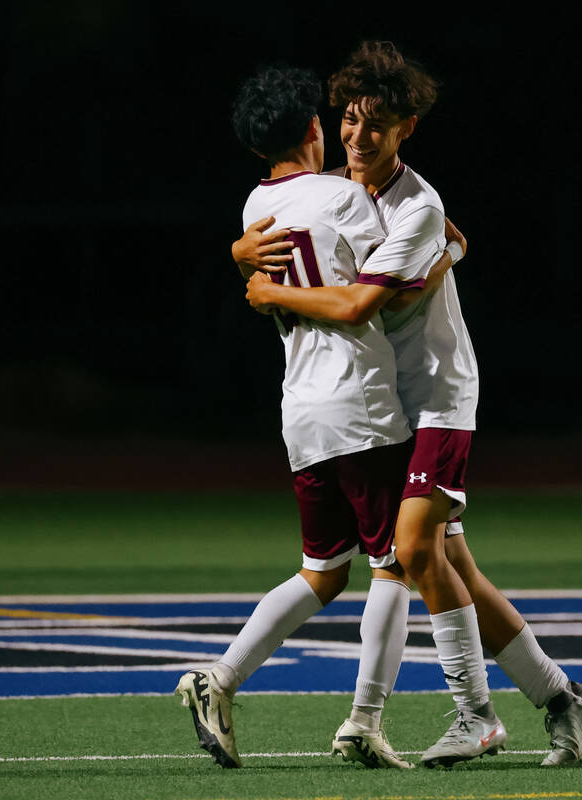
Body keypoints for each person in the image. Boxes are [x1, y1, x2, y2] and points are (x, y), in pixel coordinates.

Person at [237, 40, 582, 768]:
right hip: (383, 407)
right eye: (348, 119)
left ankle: (476, 717)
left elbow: (358, 302)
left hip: (438, 397)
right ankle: (565, 700)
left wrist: (270, 289)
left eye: (377, 124)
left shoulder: (416, 205)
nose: (356, 135)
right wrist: (241, 253)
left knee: (410, 551)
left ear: (408, 129)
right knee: (451, 568)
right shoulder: (342, 192)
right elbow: (284, 234)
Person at [176, 62, 455, 770]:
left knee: (325, 573)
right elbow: (385, 294)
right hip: (360, 401)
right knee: (395, 567)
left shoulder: (251, 210)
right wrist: (448, 251)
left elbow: (264, 271)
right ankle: (364, 720)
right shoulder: (344, 199)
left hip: (300, 409)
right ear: (313, 128)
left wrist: (246, 269)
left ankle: (219, 679)